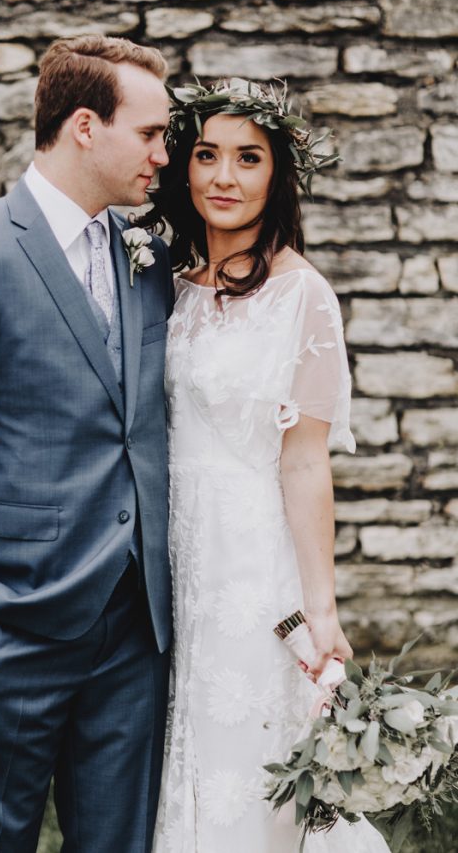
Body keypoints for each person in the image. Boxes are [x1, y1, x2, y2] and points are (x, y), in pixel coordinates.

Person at [0, 35, 173, 853]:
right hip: (10, 626)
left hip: (131, 632)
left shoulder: (145, 257)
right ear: (86, 126)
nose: (164, 154)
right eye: (150, 134)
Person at [139, 79, 392, 851]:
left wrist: (321, 609)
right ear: (183, 169)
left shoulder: (303, 296)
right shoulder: (167, 290)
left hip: (254, 568)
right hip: (174, 558)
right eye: (207, 155)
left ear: (277, 175)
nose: (224, 176)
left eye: (248, 159)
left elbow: (306, 461)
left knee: (248, 756)